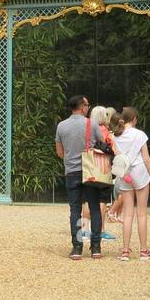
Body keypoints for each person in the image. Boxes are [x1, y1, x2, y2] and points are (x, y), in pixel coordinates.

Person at [55, 95, 101, 260]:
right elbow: (102, 145)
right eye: (87, 105)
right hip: (91, 173)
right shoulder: (92, 124)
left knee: (75, 209)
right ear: (82, 107)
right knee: (94, 207)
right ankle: (96, 247)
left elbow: (60, 153)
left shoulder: (61, 126)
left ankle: (77, 246)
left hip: (71, 172)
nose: (88, 108)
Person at [112, 107, 150, 261]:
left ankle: (125, 251)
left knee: (128, 214)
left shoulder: (116, 135)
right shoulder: (139, 135)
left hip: (125, 174)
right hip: (140, 172)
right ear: (135, 119)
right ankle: (144, 251)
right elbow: (146, 158)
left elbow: (117, 157)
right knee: (142, 213)